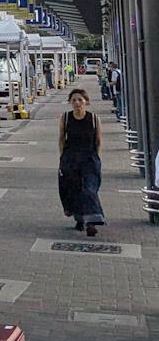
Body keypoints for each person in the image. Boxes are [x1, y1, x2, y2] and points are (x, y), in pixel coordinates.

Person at [59, 88, 105, 236]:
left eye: (80, 100)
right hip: (71, 159)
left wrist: (96, 158)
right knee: (74, 189)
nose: (77, 103)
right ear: (70, 103)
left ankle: (92, 222)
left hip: (89, 159)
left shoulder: (94, 119)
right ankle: (80, 219)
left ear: (86, 102)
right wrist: (62, 158)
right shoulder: (65, 118)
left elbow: (98, 141)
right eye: (73, 100)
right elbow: (61, 139)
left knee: (89, 189)